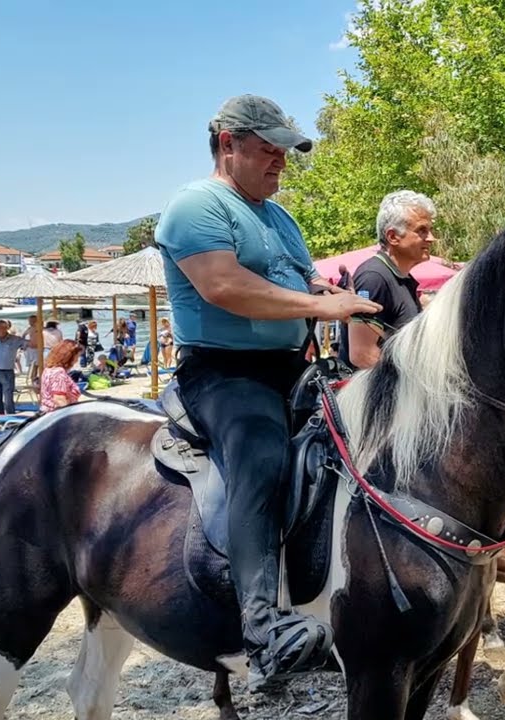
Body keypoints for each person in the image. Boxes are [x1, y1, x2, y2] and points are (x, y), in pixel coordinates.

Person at [155, 93, 380, 688]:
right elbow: (225, 287)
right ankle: (262, 629)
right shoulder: (196, 205)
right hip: (226, 372)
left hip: (292, 368)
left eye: (284, 152)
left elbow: (299, 280)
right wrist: (323, 304)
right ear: (228, 143)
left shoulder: (280, 217)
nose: (280, 162)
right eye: (268, 150)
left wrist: (350, 305)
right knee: (261, 457)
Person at [345, 190, 435, 370]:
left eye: (430, 230)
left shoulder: (402, 278)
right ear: (393, 236)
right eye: (422, 231)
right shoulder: (374, 277)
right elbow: (362, 355)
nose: (432, 238)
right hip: (373, 395)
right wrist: (418, 382)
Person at [0, 320, 29, 415]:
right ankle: (0, 417)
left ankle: (10, 416)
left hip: (7, 371)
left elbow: (31, 344)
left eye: (0, 328)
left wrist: (32, 330)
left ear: (6, 328)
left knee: (8, 396)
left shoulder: (15, 339)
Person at [39, 340, 84, 413]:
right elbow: (59, 399)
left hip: (46, 413)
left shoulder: (48, 369)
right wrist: (68, 415)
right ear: (69, 357)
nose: (76, 360)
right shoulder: (59, 373)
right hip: (55, 414)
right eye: (76, 357)